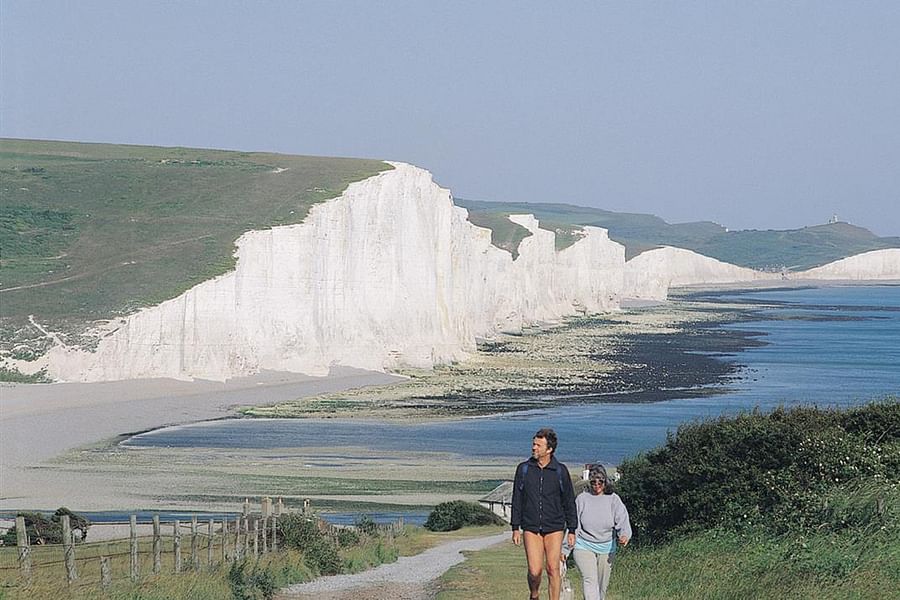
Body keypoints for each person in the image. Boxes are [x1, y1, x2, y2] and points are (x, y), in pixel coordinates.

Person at [511, 428, 578, 600]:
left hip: (555, 526)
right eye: (533, 444)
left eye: (538, 445)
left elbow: (569, 500)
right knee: (534, 571)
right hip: (531, 527)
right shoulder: (524, 469)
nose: (534, 448)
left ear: (549, 449)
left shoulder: (560, 471)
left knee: (553, 568)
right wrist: (515, 527)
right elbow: (517, 498)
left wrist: (572, 529)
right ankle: (534, 594)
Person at [568, 464, 632, 600]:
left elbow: (622, 519)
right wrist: (565, 549)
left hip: (606, 547)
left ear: (605, 482)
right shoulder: (582, 499)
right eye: (593, 482)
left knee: (602, 586)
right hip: (583, 545)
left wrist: (624, 535)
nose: (596, 485)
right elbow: (573, 526)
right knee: (590, 580)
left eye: (600, 481)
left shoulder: (614, 499)